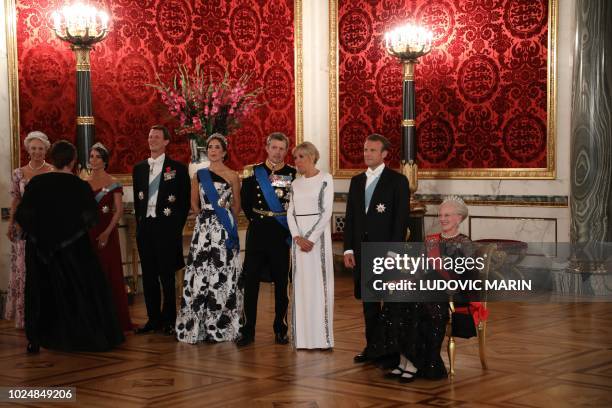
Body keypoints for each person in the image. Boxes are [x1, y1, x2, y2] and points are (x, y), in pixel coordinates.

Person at [15, 140, 124, 353]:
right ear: (73, 161)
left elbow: (23, 214)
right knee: (78, 291)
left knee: (39, 292)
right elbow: (90, 217)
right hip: (73, 251)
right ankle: (78, 338)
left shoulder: (36, 183)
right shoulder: (80, 186)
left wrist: (40, 235)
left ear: (52, 159)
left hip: (40, 251)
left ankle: (35, 339)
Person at [379, 196, 473, 382]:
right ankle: (403, 360)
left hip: (445, 292)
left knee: (416, 303)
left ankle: (414, 363)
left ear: (459, 218)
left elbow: (467, 276)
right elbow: (420, 270)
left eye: (447, 215)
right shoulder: (431, 240)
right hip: (424, 287)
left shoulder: (465, 243)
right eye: (440, 214)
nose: (442, 218)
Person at [343, 134, 410, 363]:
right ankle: (372, 348)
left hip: (386, 252)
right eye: (365, 149)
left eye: (372, 150)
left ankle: (391, 351)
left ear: (384, 154)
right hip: (362, 252)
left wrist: (393, 253)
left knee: (390, 305)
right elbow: (351, 217)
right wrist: (348, 250)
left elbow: (400, 221)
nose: (367, 154)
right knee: (369, 305)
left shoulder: (397, 181)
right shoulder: (356, 181)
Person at [175, 133, 243, 343]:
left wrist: (225, 219)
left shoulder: (233, 176)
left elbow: (237, 206)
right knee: (201, 274)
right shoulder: (199, 175)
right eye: (210, 147)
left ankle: (220, 324)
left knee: (222, 274)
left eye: (217, 147)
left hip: (224, 230)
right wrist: (205, 217)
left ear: (224, 152)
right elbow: (193, 203)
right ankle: (198, 326)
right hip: (204, 230)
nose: (213, 150)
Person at [237, 132, 297, 346]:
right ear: (267, 147)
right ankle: (247, 329)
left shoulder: (293, 173)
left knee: (282, 284)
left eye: (282, 148)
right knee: (251, 282)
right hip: (258, 232)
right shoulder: (253, 172)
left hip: (281, 234)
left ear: (286, 150)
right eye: (274, 147)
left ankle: (281, 328)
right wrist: (257, 219)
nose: (278, 152)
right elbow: (245, 202)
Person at [132, 125, 190, 335]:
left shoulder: (178, 169)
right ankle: (152, 319)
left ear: (166, 141)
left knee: (166, 276)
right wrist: (140, 227)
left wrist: (175, 228)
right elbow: (139, 203)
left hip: (166, 228)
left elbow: (183, 204)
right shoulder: (139, 168)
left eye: (157, 137)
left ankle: (169, 320)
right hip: (146, 228)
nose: (152, 139)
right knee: (148, 276)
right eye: (150, 136)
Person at [287, 142, 335, 349]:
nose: (296, 161)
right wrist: (297, 237)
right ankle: (303, 339)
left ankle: (322, 339)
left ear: (311, 157)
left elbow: (327, 211)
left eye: (300, 157)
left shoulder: (326, 179)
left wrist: (311, 238)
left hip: (318, 240)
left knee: (319, 286)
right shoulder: (295, 184)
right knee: (301, 286)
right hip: (298, 242)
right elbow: (290, 212)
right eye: (295, 157)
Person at [4, 131, 53, 329]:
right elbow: (16, 199)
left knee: (44, 270)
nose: (37, 152)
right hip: (23, 227)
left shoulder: (51, 171)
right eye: (33, 148)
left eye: (40, 148)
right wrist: (11, 223)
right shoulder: (19, 173)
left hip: (45, 228)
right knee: (23, 270)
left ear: (46, 150)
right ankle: (25, 317)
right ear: (27, 149)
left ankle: (46, 316)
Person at [87, 143, 132, 332]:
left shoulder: (113, 182)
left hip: (108, 231)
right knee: (92, 273)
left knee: (109, 271)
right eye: (91, 156)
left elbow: (119, 210)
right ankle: (94, 317)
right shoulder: (84, 182)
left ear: (104, 161)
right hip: (89, 231)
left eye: (97, 157)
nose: (93, 160)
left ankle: (114, 318)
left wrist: (106, 232)